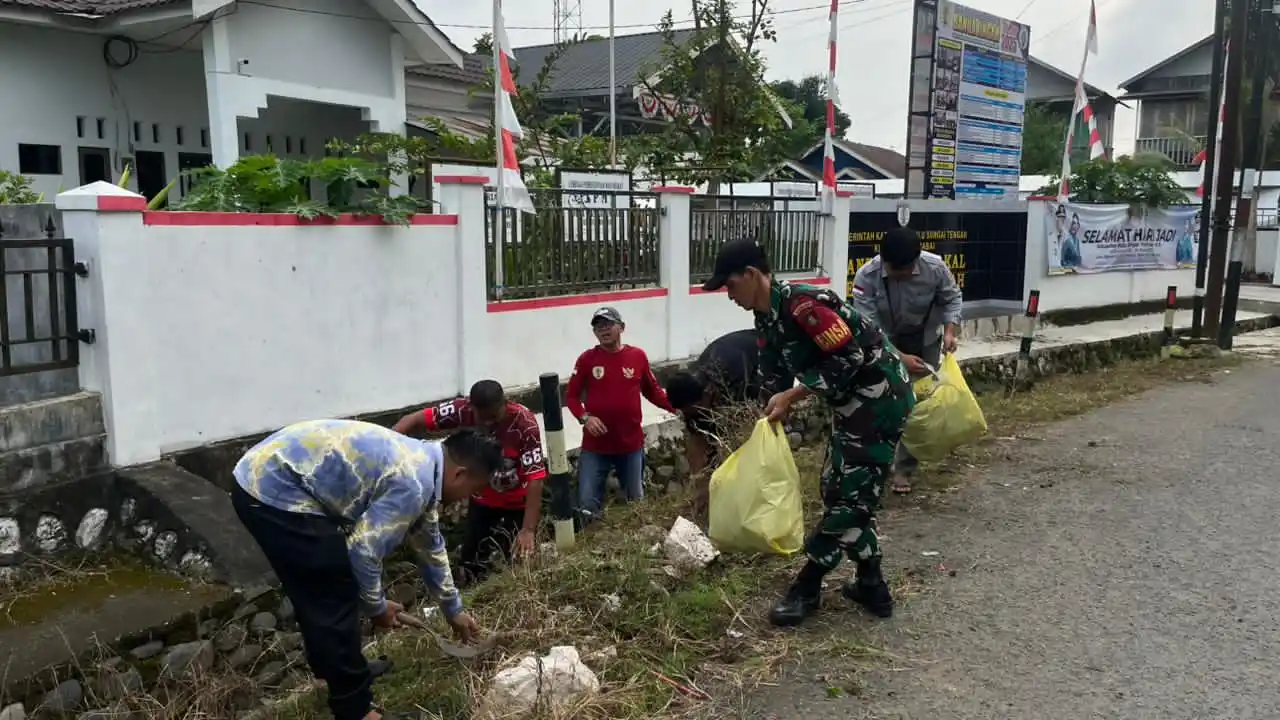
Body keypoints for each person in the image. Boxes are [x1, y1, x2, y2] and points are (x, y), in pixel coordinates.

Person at [702, 239, 914, 627]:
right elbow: (773, 372)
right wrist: (767, 412)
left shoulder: (805, 307)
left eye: (730, 286)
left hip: (880, 401)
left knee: (850, 501)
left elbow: (850, 356)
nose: (728, 295)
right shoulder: (767, 317)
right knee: (840, 490)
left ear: (751, 275)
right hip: (851, 406)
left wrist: (795, 395)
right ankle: (871, 581)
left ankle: (807, 586)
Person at [231, 420, 502, 720]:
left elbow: (430, 547)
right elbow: (363, 551)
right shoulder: (414, 482)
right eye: (472, 489)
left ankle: (337, 671)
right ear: (460, 474)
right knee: (331, 588)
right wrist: (376, 606)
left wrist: (453, 610)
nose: (468, 498)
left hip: (273, 475)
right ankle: (356, 710)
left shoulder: (425, 464)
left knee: (320, 588)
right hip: (272, 488)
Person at [392, 380, 547, 585]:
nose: (489, 424)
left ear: (505, 404)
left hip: (517, 502)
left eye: (494, 417)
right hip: (481, 501)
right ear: (470, 407)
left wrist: (528, 530)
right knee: (471, 564)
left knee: (516, 563)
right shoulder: (460, 410)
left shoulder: (524, 424)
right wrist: (389, 450)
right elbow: (412, 420)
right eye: (482, 418)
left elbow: (536, 478)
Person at [851, 226, 962, 494]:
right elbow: (868, 327)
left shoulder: (935, 268)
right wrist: (898, 357)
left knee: (917, 407)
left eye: (905, 270)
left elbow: (952, 299)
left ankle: (904, 469)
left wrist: (949, 332)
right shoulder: (866, 276)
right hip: (883, 344)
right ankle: (874, 464)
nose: (899, 275)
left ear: (916, 259)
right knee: (882, 403)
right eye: (893, 270)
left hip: (924, 342)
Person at [566, 306, 675, 521]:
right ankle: (591, 544)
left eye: (608, 324)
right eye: (598, 326)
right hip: (595, 447)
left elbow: (653, 392)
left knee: (636, 501)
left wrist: (677, 408)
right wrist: (585, 417)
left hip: (630, 445)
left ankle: (637, 543)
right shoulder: (587, 360)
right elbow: (571, 397)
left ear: (622, 327)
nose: (603, 329)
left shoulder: (637, 357)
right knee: (587, 503)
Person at [663, 328, 768, 476]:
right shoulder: (691, 398)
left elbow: (747, 420)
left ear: (706, 394)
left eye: (695, 410)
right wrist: (697, 479)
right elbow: (696, 439)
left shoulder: (733, 378)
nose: (692, 415)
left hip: (765, 353)